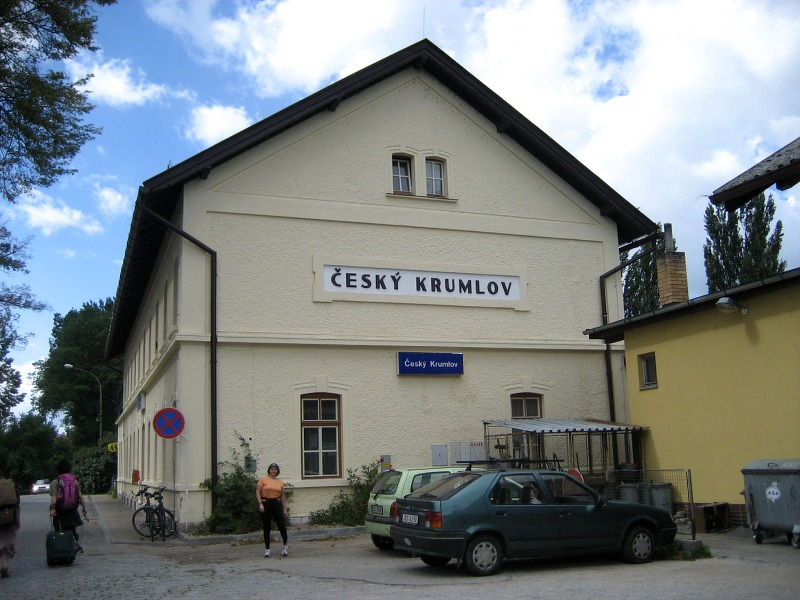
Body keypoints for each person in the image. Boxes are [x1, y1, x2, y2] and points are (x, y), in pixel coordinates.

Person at [49, 459, 88, 553]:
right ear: (69, 469)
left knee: (59, 532)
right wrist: (84, 507)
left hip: (60, 512)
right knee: (72, 530)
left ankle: (63, 551)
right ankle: (74, 545)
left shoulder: (55, 482)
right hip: (72, 511)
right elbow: (80, 496)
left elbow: (54, 498)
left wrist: (53, 509)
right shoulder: (74, 481)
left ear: (58, 470)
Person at [256, 463, 288, 558]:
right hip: (266, 504)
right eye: (272, 469)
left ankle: (285, 547)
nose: (273, 471)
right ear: (269, 470)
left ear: (277, 471)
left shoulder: (280, 482)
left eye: (275, 469)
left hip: (276, 504)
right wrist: (260, 504)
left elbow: (282, 496)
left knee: (282, 526)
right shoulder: (263, 480)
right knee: (267, 527)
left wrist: (284, 509)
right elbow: (257, 492)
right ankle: (267, 549)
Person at [0, 470, 20, 578]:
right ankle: (5, 565)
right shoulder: (10, 485)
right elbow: (16, 504)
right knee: (6, 541)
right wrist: (17, 520)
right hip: (8, 517)